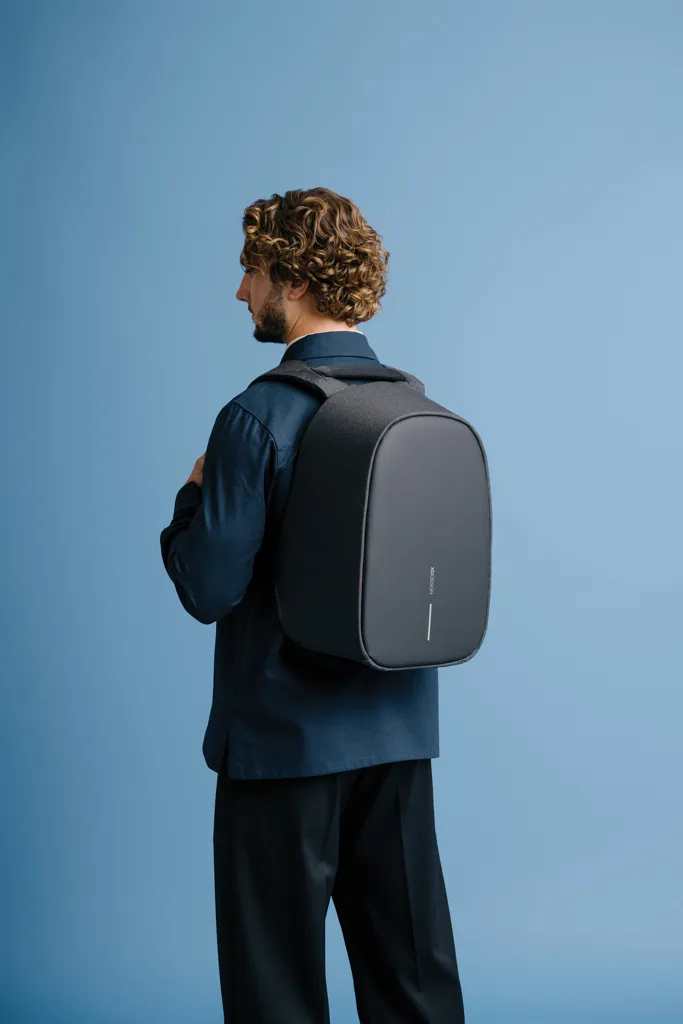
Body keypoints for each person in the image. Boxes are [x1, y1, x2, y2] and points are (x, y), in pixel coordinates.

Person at [160, 187, 466, 1023]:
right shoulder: (413, 403)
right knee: (412, 979)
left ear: (291, 280)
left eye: (251, 272)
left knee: (276, 989)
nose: (240, 293)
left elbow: (207, 589)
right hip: (397, 737)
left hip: (281, 746)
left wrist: (190, 500)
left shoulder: (256, 415)